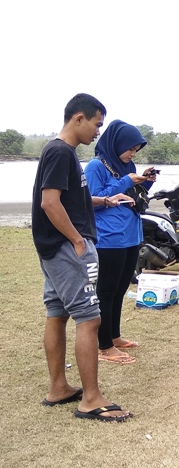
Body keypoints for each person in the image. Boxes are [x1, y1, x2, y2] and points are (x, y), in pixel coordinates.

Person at [32, 93, 132, 422]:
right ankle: (91, 399)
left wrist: (104, 202)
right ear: (79, 118)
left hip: (54, 249)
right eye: (96, 124)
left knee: (57, 313)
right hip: (67, 249)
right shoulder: (61, 152)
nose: (98, 132)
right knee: (89, 319)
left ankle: (58, 387)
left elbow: (72, 197)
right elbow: (50, 203)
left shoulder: (62, 153)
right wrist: (76, 240)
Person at [85, 120, 157, 365]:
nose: (132, 154)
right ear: (116, 144)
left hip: (130, 236)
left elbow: (132, 196)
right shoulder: (96, 166)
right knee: (105, 292)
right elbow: (91, 199)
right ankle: (103, 346)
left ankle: (114, 336)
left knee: (120, 289)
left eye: (136, 150)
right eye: (130, 149)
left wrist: (145, 181)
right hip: (108, 239)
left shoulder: (128, 166)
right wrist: (127, 180)